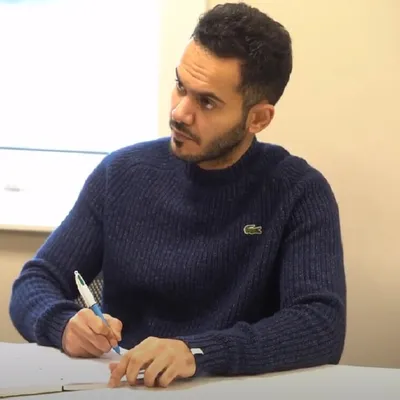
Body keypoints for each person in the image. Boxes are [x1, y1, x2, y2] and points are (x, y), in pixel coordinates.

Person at [9, 2, 346, 389]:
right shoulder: (121, 174)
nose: (180, 112)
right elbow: (35, 282)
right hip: (124, 385)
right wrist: (62, 324)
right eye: (180, 86)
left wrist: (196, 352)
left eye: (206, 102)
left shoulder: (299, 192)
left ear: (258, 118)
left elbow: (320, 325)